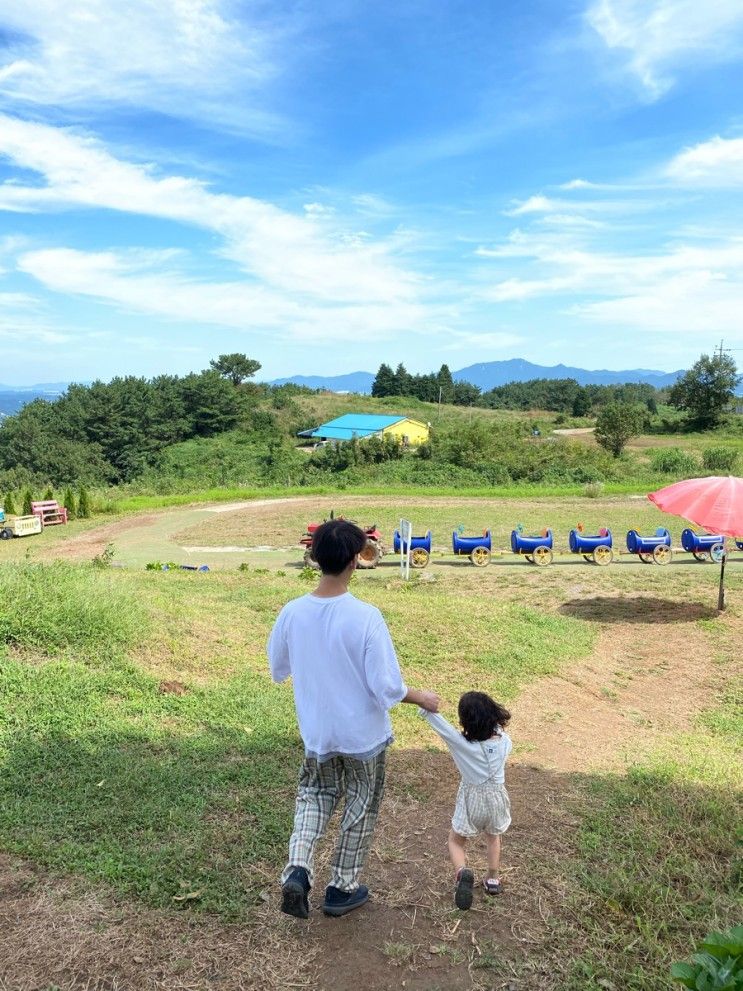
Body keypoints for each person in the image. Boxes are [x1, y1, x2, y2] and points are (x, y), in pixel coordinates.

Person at [268, 519, 440, 919]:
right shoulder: (366, 617)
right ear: (353, 561)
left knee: (313, 796)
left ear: (314, 557)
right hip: (364, 737)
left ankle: (297, 868)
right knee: (361, 804)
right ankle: (341, 887)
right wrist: (422, 698)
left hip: (318, 734)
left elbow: (278, 668)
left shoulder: (292, 612)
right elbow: (386, 686)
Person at [419, 691, 512, 910]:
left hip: (473, 800)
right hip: (497, 798)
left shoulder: (464, 746)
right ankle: (492, 879)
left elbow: (446, 732)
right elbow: (497, 731)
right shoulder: (505, 742)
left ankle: (462, 872)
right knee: (493, 837)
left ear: (465, 722)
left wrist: (427, 710)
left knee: (456, 841)